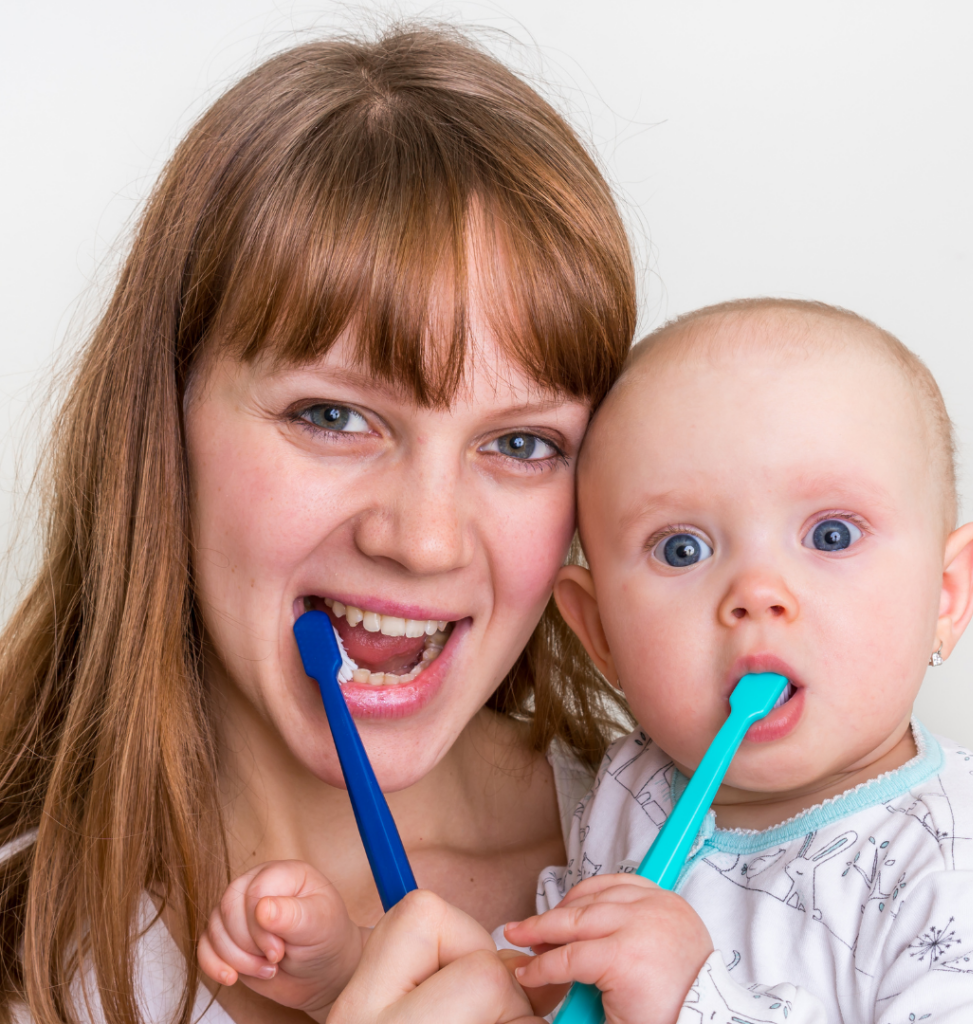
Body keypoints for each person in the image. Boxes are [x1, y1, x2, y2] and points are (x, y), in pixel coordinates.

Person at [0, 24, 636, 1024]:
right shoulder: (26, 943)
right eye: (333, 416)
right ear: (161, 423)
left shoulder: (748, 883)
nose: (424, 539)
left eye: (520, 444)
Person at [503, 299, 973, 1022]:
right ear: (600, 633)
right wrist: (358, 972)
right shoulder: (631, 786)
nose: (757, 594)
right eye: (682, 549)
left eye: (832, 535)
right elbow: (555, 989)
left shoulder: (967, 865)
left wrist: (693, 1002)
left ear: (946, 594)